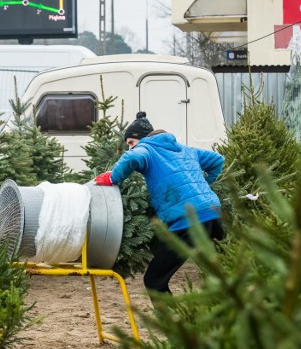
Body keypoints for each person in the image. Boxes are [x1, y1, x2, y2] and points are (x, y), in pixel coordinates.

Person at [95, 111, 225, 303]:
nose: (130, 148)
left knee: (154, 280)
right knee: (217, 273)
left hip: (187, 220)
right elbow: (217, 160)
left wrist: (113, 177)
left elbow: (131, 159)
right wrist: (205, 185)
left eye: (131, 142)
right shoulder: (185, 149)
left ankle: (174, 327)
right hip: (213, 214)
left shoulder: (147, 148)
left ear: (141, 139)